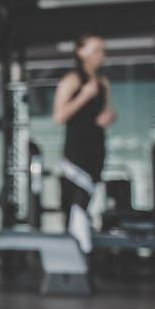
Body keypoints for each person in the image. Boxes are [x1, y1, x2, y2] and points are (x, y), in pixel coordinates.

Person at [51, 33, 116, 254]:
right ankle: (77, 254)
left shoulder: (103, 83)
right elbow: (59, 117)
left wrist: (109, 117)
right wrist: (83, 96)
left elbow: (105, 113)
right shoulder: (72, 80)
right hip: (76, 152)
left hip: (97, 148)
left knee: (86, 203)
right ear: (80, 52)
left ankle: (82, 254)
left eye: (102, 50)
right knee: (75, 204)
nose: (101, 55)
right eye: (95, 49)